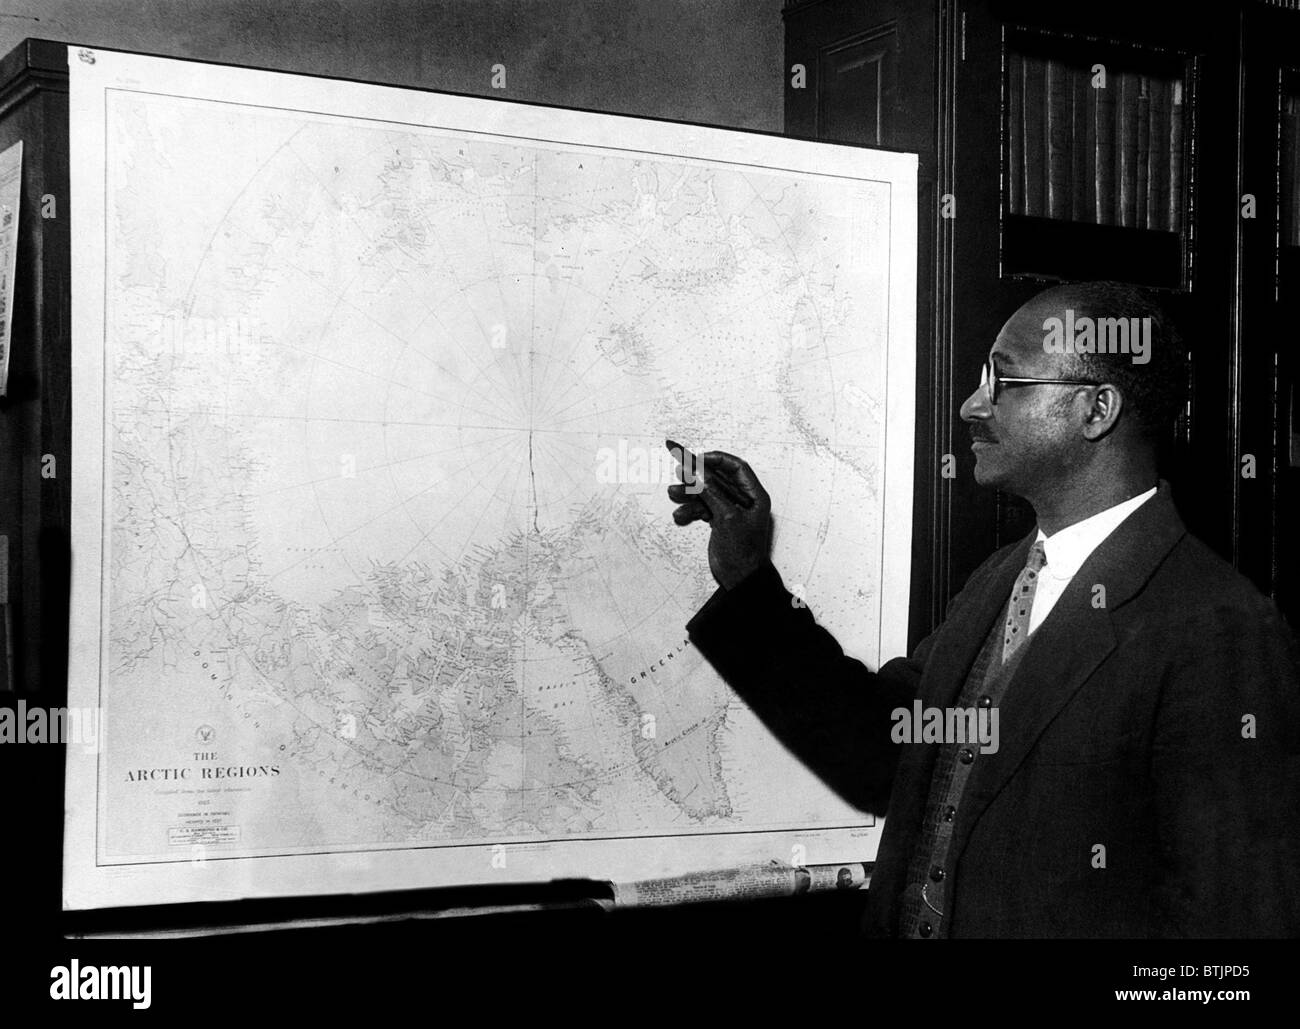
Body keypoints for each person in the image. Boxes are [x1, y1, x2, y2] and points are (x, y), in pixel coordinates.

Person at [667, 281, 1300, 938]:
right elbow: (882, 747)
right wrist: (746, 576)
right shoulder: (1002, 578)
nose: (972, 405)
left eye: (1003, 381)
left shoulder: (1221, 629)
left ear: (1097, 409)